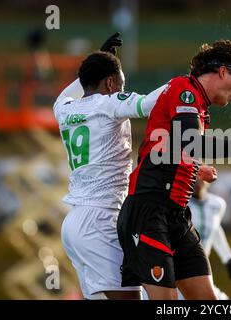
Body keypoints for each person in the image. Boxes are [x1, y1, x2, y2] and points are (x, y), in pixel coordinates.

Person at [117, 39, 231, 300]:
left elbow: (171, 146)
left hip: (177, 215)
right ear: (223, 71)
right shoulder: (185, 90)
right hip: (149, 210)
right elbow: (191, 142)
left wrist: (194, 168)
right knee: (167, 303)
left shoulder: (199, 106)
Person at [54, 33, 166, 300]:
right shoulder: (110, 103)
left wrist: (98, 58)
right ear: (109, 82)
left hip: (74, 222)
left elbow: (64, 94)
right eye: (120, 84)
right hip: (100, 218)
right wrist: (190, 82)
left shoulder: (64, 109)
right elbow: (151, 103)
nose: (121, 89)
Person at [187, 178, 231, 300]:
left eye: (200, 178)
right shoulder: (181, 204)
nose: (197, 182)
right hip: (181, 264)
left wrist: (228, 258)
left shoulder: (217, 204)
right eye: (193, 178)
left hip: (203, 266)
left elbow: (215, 229)